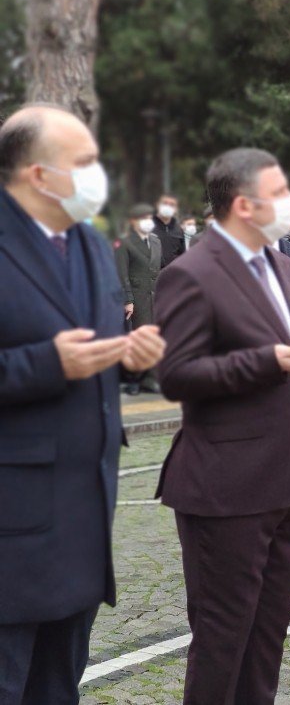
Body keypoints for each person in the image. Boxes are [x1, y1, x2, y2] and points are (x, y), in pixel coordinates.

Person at [153, 147, 290, 704]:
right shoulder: (191, 273)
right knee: (223, 638)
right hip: (228, 485)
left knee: (268, 633)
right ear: (243, 205)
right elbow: (176, 374)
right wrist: (265, 362)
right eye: (278, 193)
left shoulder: (283, 267)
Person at [0, 103, 164, 705]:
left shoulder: (91, 243)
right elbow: (57, 356)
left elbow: (98, 342)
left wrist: (133, 357)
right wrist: (47, 364)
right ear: (38, 173)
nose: (101, 176)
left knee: (58, 686)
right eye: (86, 161)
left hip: (82, 520)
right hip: (11, 528)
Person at [114, 203, 163, 395]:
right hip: (137, 298)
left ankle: (151, 378)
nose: (148, 222)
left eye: (150, 218)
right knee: (137, 338)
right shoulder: (124, 242)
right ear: (133, 221)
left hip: (155, 296)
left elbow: (159, 269)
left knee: (153, 337)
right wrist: (128, 300)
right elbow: (122, 273)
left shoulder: (156, 241)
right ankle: (133, 380)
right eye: (143, 218)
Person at [153, 194, 185, 267]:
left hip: (173, 271)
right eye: (165, 203)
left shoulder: (179, 230)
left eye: (172, 205)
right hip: (153, 272)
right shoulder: (148, 226)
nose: (168, 207)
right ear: (157, 205)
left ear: (176, 209)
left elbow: (182, 254)